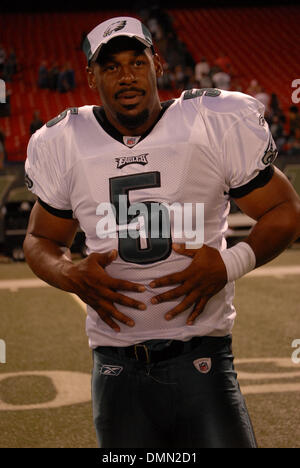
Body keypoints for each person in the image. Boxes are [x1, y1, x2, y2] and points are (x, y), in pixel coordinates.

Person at [23, 16, 300, 449]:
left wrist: (229, 263)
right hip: (114, 366)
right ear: (91, 77)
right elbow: (40, 240)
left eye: (137, 61)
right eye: (111, 66)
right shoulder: (63, 141)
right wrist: (68, 274)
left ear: (159, 64)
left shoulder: (212, 122)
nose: (127, 76)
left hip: (202, 358)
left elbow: (284, 210)